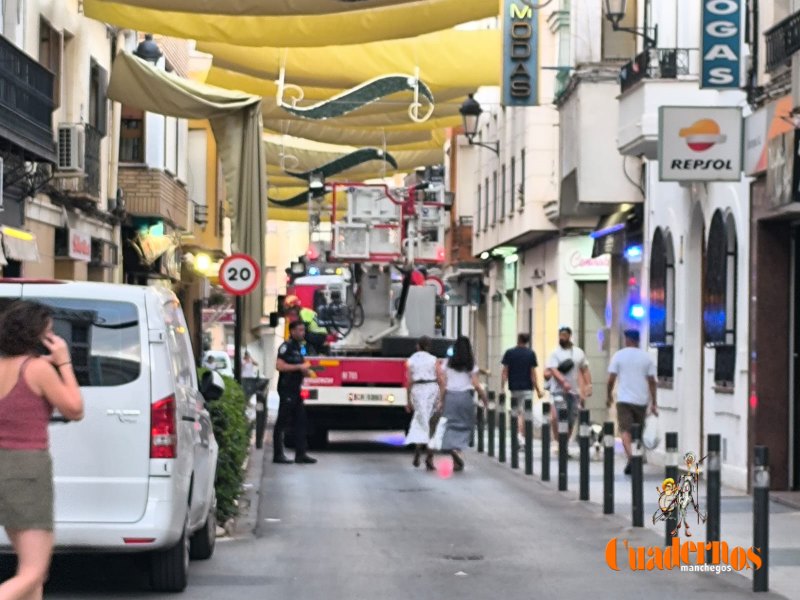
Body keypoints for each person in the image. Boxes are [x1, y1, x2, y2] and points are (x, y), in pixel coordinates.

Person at [0, 301, 83, 600]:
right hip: (27, 469)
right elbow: (74, 409)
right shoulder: (36, 369)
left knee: (32, 575)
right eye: (50, 334)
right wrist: (64, 363)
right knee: (34, 570)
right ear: (37, 336)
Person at [607, 328, 658, 475]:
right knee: (637, 433)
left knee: (625, 431)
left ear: (627, 339)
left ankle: (633, 459)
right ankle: (633, 459)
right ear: (638, 340)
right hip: (641, 401)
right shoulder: (646, 357)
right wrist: (654, 402)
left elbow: (611, 379)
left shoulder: (619, 356)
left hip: (624, 400)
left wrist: (609, 395)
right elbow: (652, 381)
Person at [439, 336, 488, 472]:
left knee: (450, 424)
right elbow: (476, 384)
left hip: (450, 396)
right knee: (465, 425)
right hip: (465, 397)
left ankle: (453, 452)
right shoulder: (471, 363)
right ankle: (457, 452)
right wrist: (484, 399)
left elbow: (443, 383)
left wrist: (441, 400)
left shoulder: (447, 363)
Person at [273, 320, 317, 465]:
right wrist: (299, 367)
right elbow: (279, 366)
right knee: (282, 422)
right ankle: (278, 454)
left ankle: (301, 454)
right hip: (287, 390)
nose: (302, 333)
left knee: (301, 421)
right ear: (292, 331)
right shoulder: (286, 346)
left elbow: (301, 365)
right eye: (299, 330)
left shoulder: (300, 347)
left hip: (296, 389)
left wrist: (306, 372)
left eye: (303, 330)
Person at [544, 326, 592, 444]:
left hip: (574, 392)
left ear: (570, 336)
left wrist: (588, 385)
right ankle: (558, 441)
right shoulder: (555, 353)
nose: (562, 338)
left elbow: (585, 369)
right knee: (560, 416)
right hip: (558, 391)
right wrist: (563, 382)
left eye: (564, 335)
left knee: (571, 419)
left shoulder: (578, 353)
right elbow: (553, 370)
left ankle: (564, 443)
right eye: (560, 335)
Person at [404, 336, 441, 470]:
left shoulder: (411, 360)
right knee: (432, 426)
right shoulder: (434, 360)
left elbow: (409, 381)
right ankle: (429, 458)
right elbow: (440, 378)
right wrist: (441, 398)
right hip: (431, 389)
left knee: (421, 423)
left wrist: (408, 400)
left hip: (418, 391)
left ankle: (418, 451)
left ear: (418, 346)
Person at [501, 333, 544, 448]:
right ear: (527, 341)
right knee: (524, 413)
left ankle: (518, 436)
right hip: (527, 388)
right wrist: (538, 390)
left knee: (516, 413)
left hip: (514, 387)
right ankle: (521, 436)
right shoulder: (530, 354)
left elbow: (505, 371)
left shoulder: (509, 353)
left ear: (518, 339)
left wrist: (502, 387)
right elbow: (533, 374)